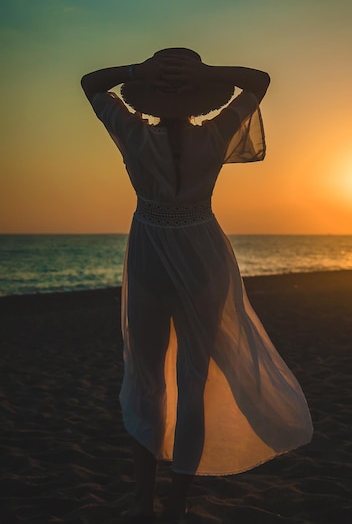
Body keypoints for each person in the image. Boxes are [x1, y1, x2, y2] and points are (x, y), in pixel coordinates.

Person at [81, 48, 313, 523]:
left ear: (147, 95)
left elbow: (90, 82)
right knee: (192, 381)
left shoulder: (130, 130)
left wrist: (134, 72)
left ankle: (144, 500)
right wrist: (206, 74)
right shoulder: (217, 130)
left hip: (150, 251)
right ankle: (175, 504)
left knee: (147, 384)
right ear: (199, 98)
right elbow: (259, 79)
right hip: (202, 251)